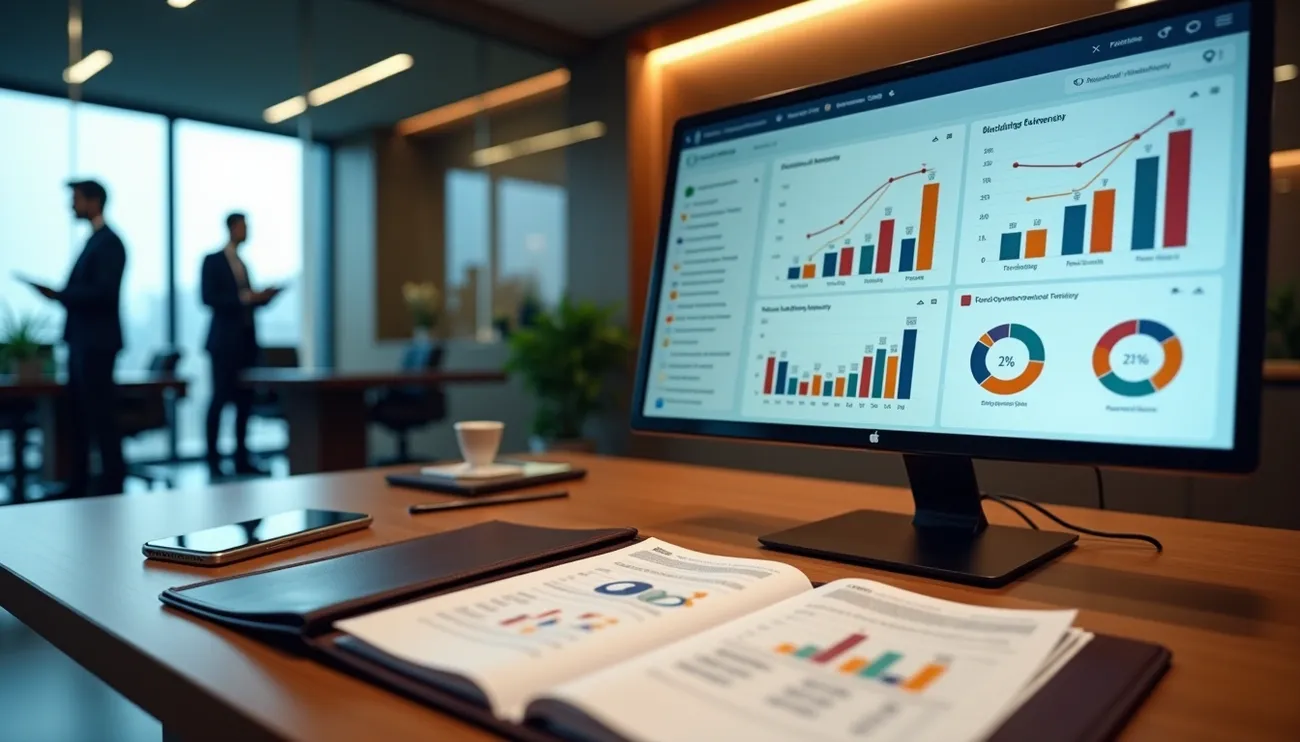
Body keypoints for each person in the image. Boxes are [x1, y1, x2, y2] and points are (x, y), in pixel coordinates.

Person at [27, 180, 127, 497]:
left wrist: (60, 294)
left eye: (76, 199)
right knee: (80, 415)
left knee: (99, 415)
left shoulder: (109, 242)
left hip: (97, 342)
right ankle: (80, 483)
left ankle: (111, 483)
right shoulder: (94, 241)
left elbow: (104, 292)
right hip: (83, 340)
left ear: (94, 201)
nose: (72, 205)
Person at [201, 213, 280, 479]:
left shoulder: (244, 264)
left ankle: (242, 459)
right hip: (224, 343)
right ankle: (212, 461)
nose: (247, 232)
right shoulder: (213, 261)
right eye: (244, 227)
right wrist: (246, 297)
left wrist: (263, 298)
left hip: (246, 342)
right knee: (219, 400)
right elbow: (209, 297)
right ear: (232, 228)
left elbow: (246, 302)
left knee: (245, 403)